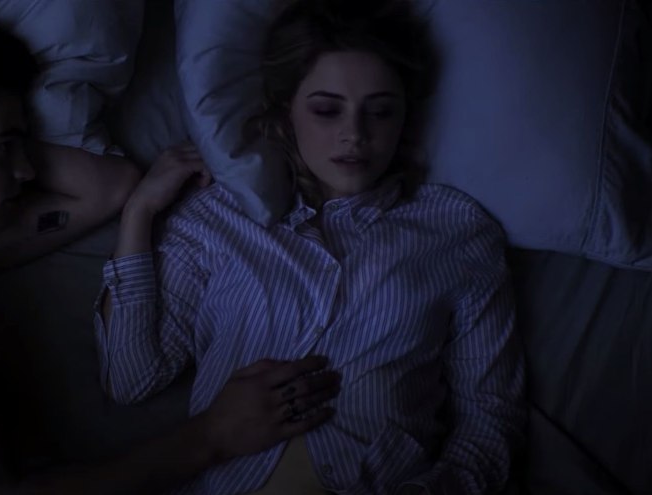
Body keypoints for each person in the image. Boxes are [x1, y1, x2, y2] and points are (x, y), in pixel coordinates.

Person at [0, 11, 340, 495]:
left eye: (23, 145)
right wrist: (211, 437)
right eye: (4, 149)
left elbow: (110, 186)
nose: (25, 170)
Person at [96, 1, 526, 494]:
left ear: (406, 116)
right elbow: (130, 379)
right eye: (326, 110)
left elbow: (492, 419)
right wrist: (138, 213)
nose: (354, 135)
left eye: (380, 112)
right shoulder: (217, 218)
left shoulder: (457, 232)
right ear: (287, 112)